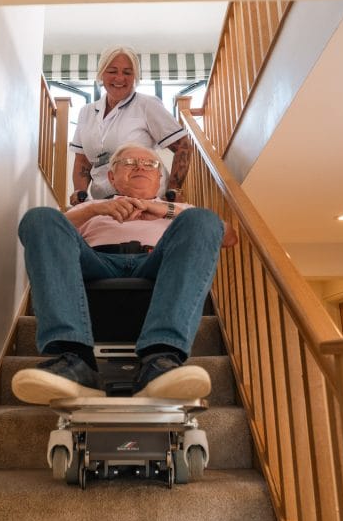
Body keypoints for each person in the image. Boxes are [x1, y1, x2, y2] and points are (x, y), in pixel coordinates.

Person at [13, 143, 238, 405]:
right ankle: (73, 362)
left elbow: (228, 235)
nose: (141, 166)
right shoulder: (92, 207)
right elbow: (50, 232)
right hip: (97, 262)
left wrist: (162, 210)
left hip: (156, 261)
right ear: (111, 177)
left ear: (159, 179)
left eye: (150, 164)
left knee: (204, 219)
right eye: (129, 163)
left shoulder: (180, 211)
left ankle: (161, 361)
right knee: (40, 217)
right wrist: (96, 210)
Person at [69, 45, 192, 204]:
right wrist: (79, 194)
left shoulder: (147, 105)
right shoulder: (86, 112)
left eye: (127, 72)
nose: (120, 78)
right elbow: (83, 161)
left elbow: (183, 145)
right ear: (101, 74)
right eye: (112, 71)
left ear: (135, 77)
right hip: (104, 201)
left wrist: (173, 191)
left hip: (146, 200)